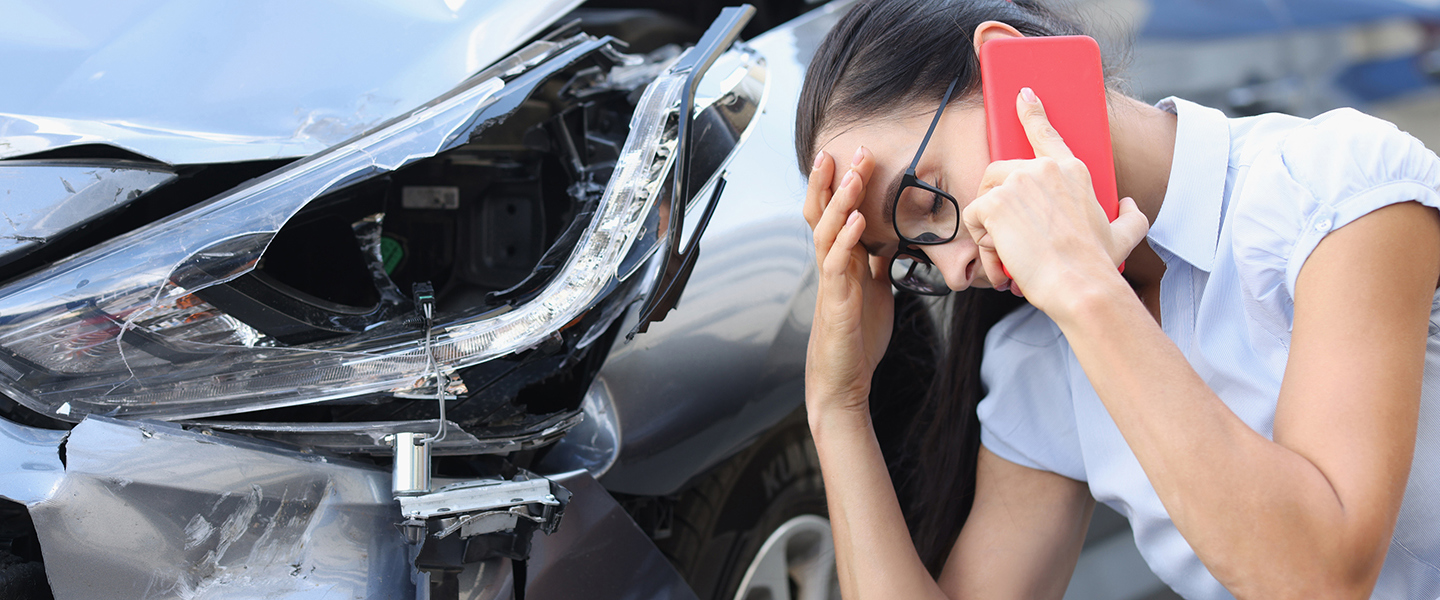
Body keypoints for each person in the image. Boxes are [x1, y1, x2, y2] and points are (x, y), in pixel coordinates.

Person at [796, 0, 1440, 598]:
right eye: (912, 261)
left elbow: (1320, 575)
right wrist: (838, 408)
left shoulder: (1332, 187)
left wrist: (1083, 285)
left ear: (1010, 69)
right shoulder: (1040, 357)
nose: (957, 271)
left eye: (927, 203)